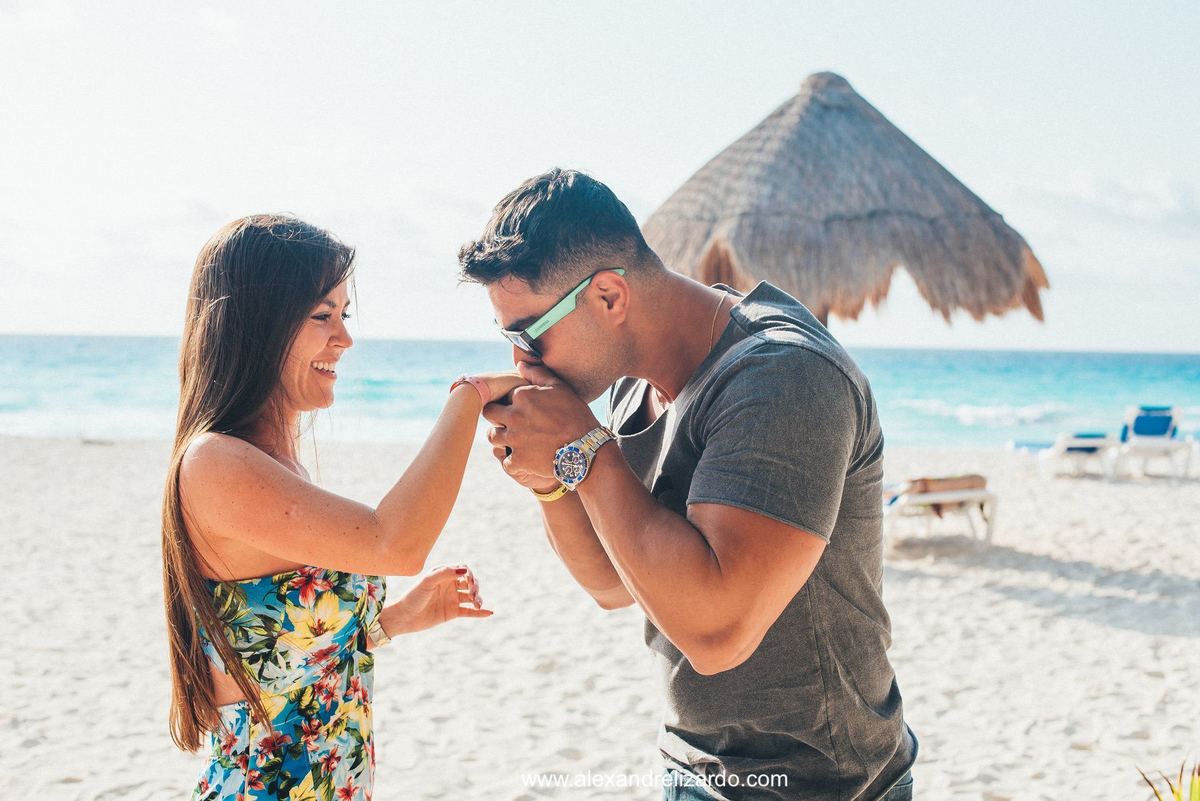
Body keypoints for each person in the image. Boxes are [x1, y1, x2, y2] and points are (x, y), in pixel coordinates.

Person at [460, 169, 918, 801]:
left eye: (529, 331)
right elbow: (611, 583)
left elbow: (717, 634)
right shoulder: (628, 384)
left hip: (821, 782)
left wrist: (585, 451)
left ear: (609, 298)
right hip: (693, 763)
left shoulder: (783, 376)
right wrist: (551, 479)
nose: (525, 360)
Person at [162, 214, 523, 800]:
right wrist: (470, 397)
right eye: (322, 316)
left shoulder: (274, 463)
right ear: (258, 326)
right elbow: (395, 543)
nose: (344, 338)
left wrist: (388, 624)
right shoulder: (214, 463)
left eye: (344, 315)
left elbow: (272, 669)